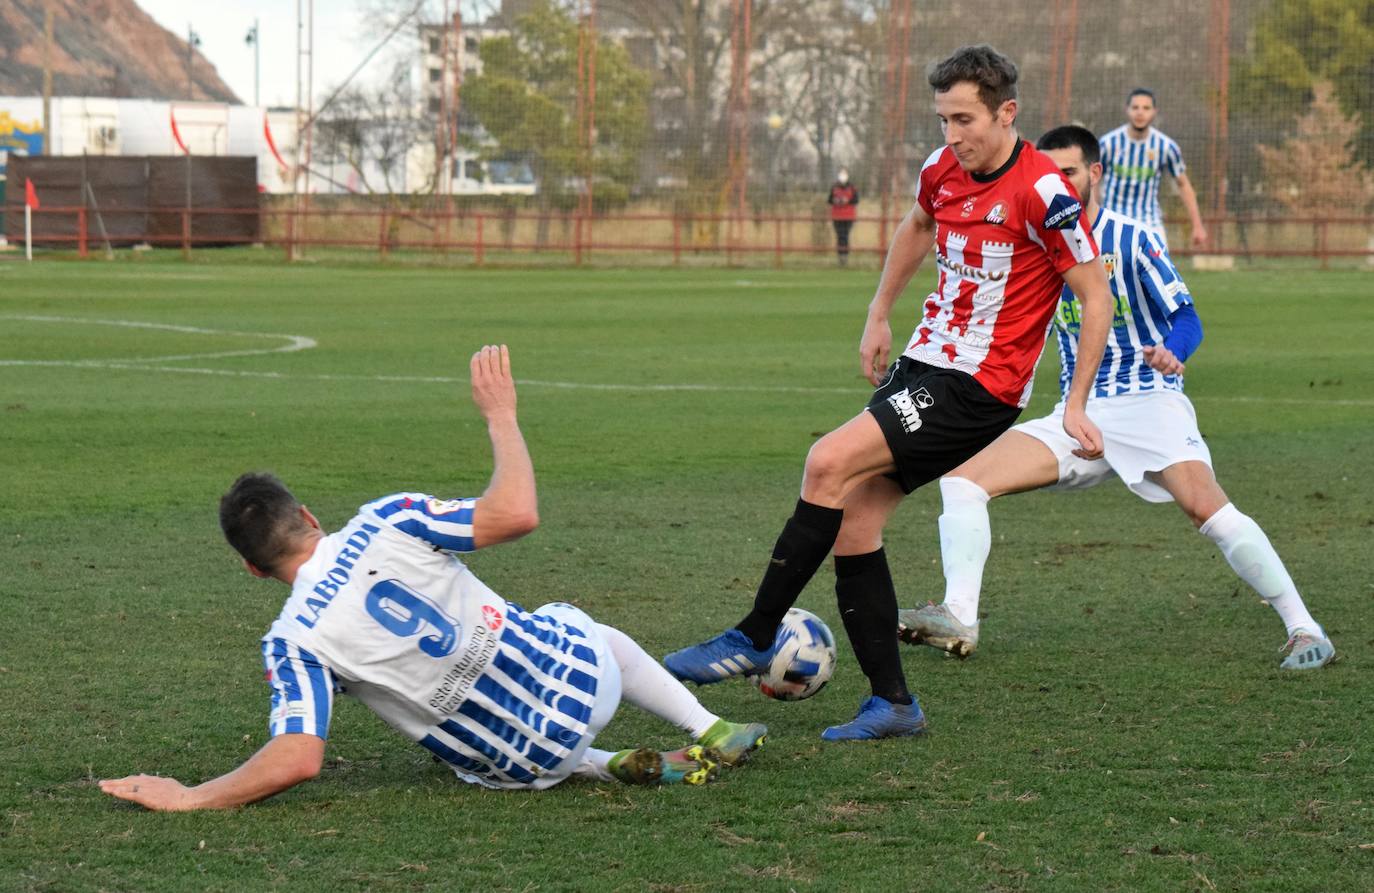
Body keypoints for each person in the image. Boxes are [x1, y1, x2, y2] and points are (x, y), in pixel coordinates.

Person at [663, 46, 1113, 740]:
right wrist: (879, 311)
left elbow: (1094, 294)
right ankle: (894, 703)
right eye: (943, 120)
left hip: (979, 388)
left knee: (826, 461)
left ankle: (754, 633)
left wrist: (1075, 401)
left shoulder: (1043, 191)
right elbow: (917, 227)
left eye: (965, 119)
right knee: (854, 521)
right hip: (925, 364)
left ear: (1007, 112)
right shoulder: (942, 169)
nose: (953, 135)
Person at [99, 346, 767, 811]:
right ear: (307, 515)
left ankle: (596, 761)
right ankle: (708, 725)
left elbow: (298, 756)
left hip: (519, 766)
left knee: (457, 749)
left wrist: (190, 794)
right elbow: (518, 512)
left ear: (251, 567)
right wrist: (501, 415)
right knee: (570, 618)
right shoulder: (387, 518)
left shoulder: (292, 641)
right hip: (590, 683)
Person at [898, 125, 1335, 670]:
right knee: (964, 480)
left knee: (1208, 508)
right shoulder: (1032, 242)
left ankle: (1303, 628)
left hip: (1148, 400)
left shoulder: (1130, 238)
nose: (1059, 182)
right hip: (1079, 411)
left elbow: (1187, 316)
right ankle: (959, 614)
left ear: (1096, 174)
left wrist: (1173, 352)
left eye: (1072, 172)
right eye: (1051, 172)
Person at [1098, 88, 1208, 251]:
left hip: (1149, 222)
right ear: (1127, 110)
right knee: (1107, 275)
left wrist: (1198, 225)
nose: (1140, 113)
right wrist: (1090, 218)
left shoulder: (1165, 146)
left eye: (1146, 108)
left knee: (1161, 274)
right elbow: (1092, 181)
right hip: (1111, 221)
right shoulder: (1107, 144)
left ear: (1154, 112)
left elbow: (1183, 184)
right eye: (1135, 108)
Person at [828, 169, 860, 266]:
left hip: (848, 216)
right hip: (837, 216)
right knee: (839, 236)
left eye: (844, 174)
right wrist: (836, 200)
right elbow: (829, 200)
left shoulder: (852, 187)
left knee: (845, 236)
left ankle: (845, 257)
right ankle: (840, 257)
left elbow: (856, 200)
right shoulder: (834, 187)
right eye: (841, 174)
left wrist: (847, 201)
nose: (842, 176)